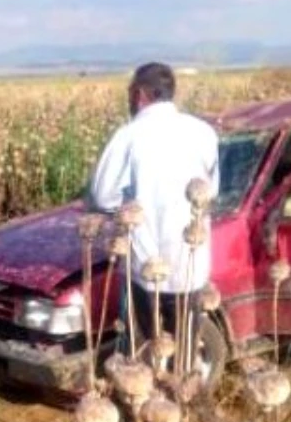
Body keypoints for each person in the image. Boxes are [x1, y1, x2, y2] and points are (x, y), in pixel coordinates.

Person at [89, 62, 220, 366]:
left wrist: (129, 203)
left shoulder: (129, 135)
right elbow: (209, 190)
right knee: (185, 346)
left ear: (139, 94)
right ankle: (183, 403)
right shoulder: (203, 132)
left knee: (145, 347)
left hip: (145, 261)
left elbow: (103, 196)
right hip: (191, 259)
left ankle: (148, 405)